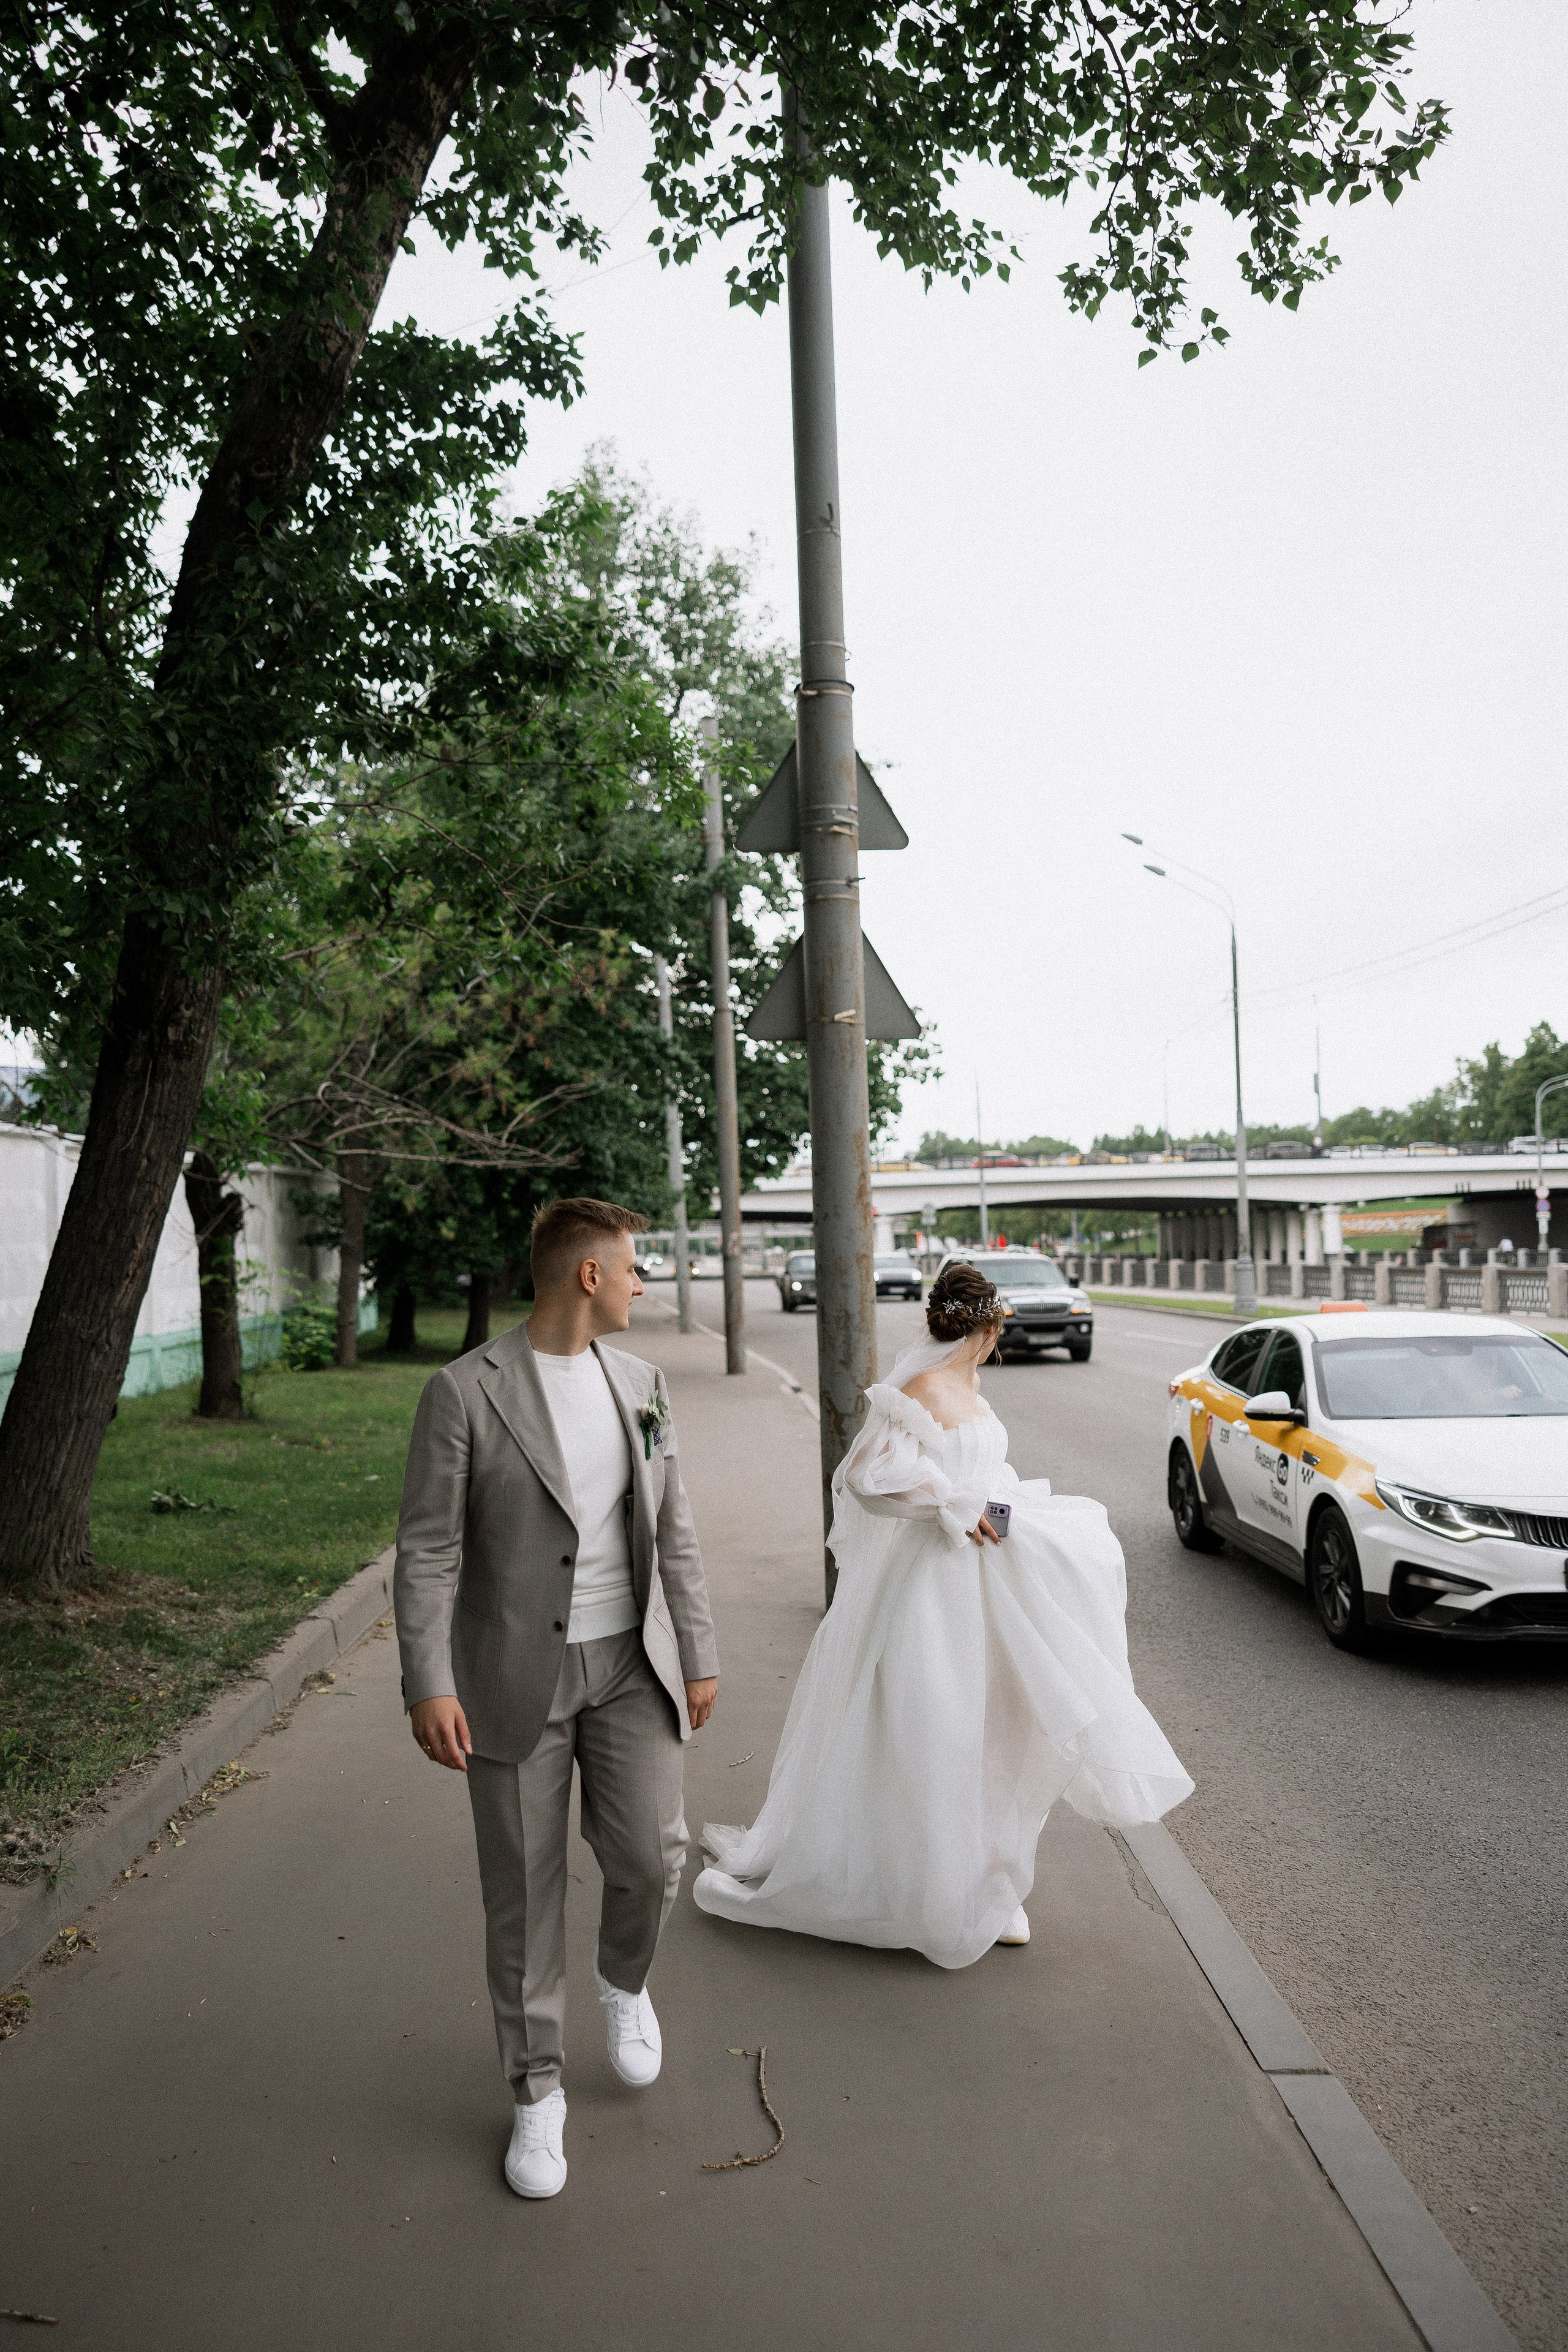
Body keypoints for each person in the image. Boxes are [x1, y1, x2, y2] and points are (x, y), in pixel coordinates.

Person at [693, 1262, 1189, 1968]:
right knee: (935, 1726)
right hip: (933, 1585)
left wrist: (1003, 1504)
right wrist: (955, 1504)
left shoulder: (973, 1384)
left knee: (993, 1728)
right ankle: (920, 1884)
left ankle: (981, 1874)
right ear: (983, 1328)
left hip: (990, 1582)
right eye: (996, 1334)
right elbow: (867, 1479)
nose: (994, 1346)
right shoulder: (915, 1390)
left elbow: (982, 1471)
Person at [393, 1197, 719, 2200]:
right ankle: (537, 2098)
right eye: (631, 1269)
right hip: (509, 1680)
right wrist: (429, 1678)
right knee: (524, 1897)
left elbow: (677, 1530)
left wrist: (698, 1649)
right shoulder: (465, 1393)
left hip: (631, 1666)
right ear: (588, 1276)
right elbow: (429, 1551)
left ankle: (624, 1982)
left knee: (651, 1856)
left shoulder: (644, 1382)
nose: (640, 1284)